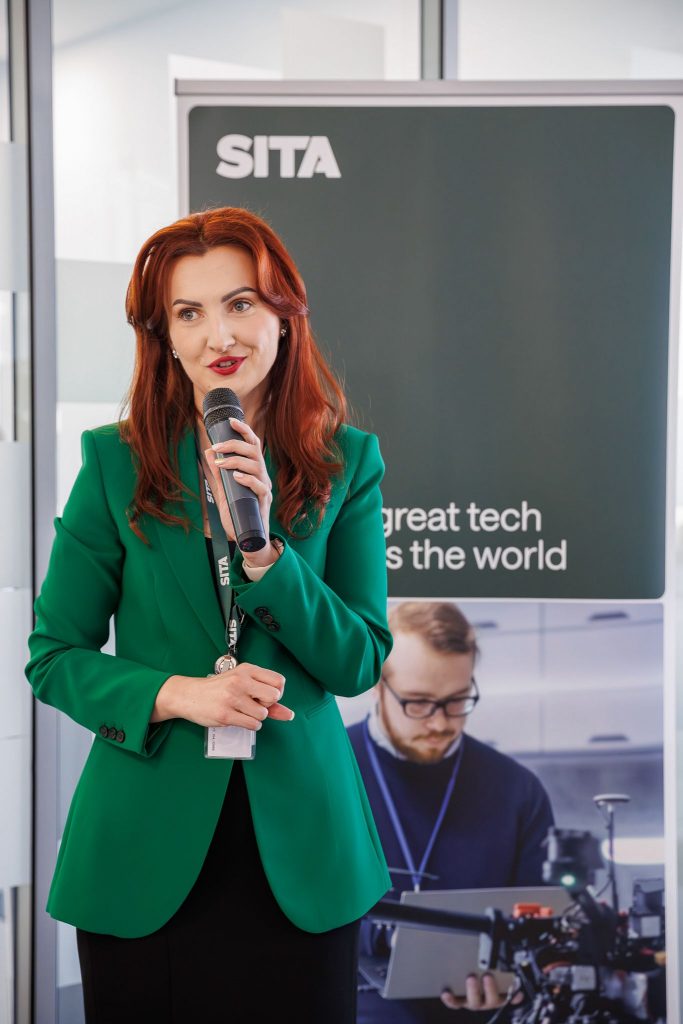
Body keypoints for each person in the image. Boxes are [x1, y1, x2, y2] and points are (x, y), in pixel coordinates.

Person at [26, 206, 393, 1023]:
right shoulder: (114, 462)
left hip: (304, 852)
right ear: (163, 336)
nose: (216, 335)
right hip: (141, 849)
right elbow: (53, 656)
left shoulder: (346, 462)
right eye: (187, 313)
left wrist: (266, 557)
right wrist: (179, 694)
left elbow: (358, 660)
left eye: (240, 304)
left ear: (284, 317)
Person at [347, 601, 554, 1023]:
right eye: (419, 703)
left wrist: (517, 982)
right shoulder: (326, 770)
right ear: (376, 685)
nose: (440, 723)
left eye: (457, 700)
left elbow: (543, 933)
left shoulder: (519, 790)